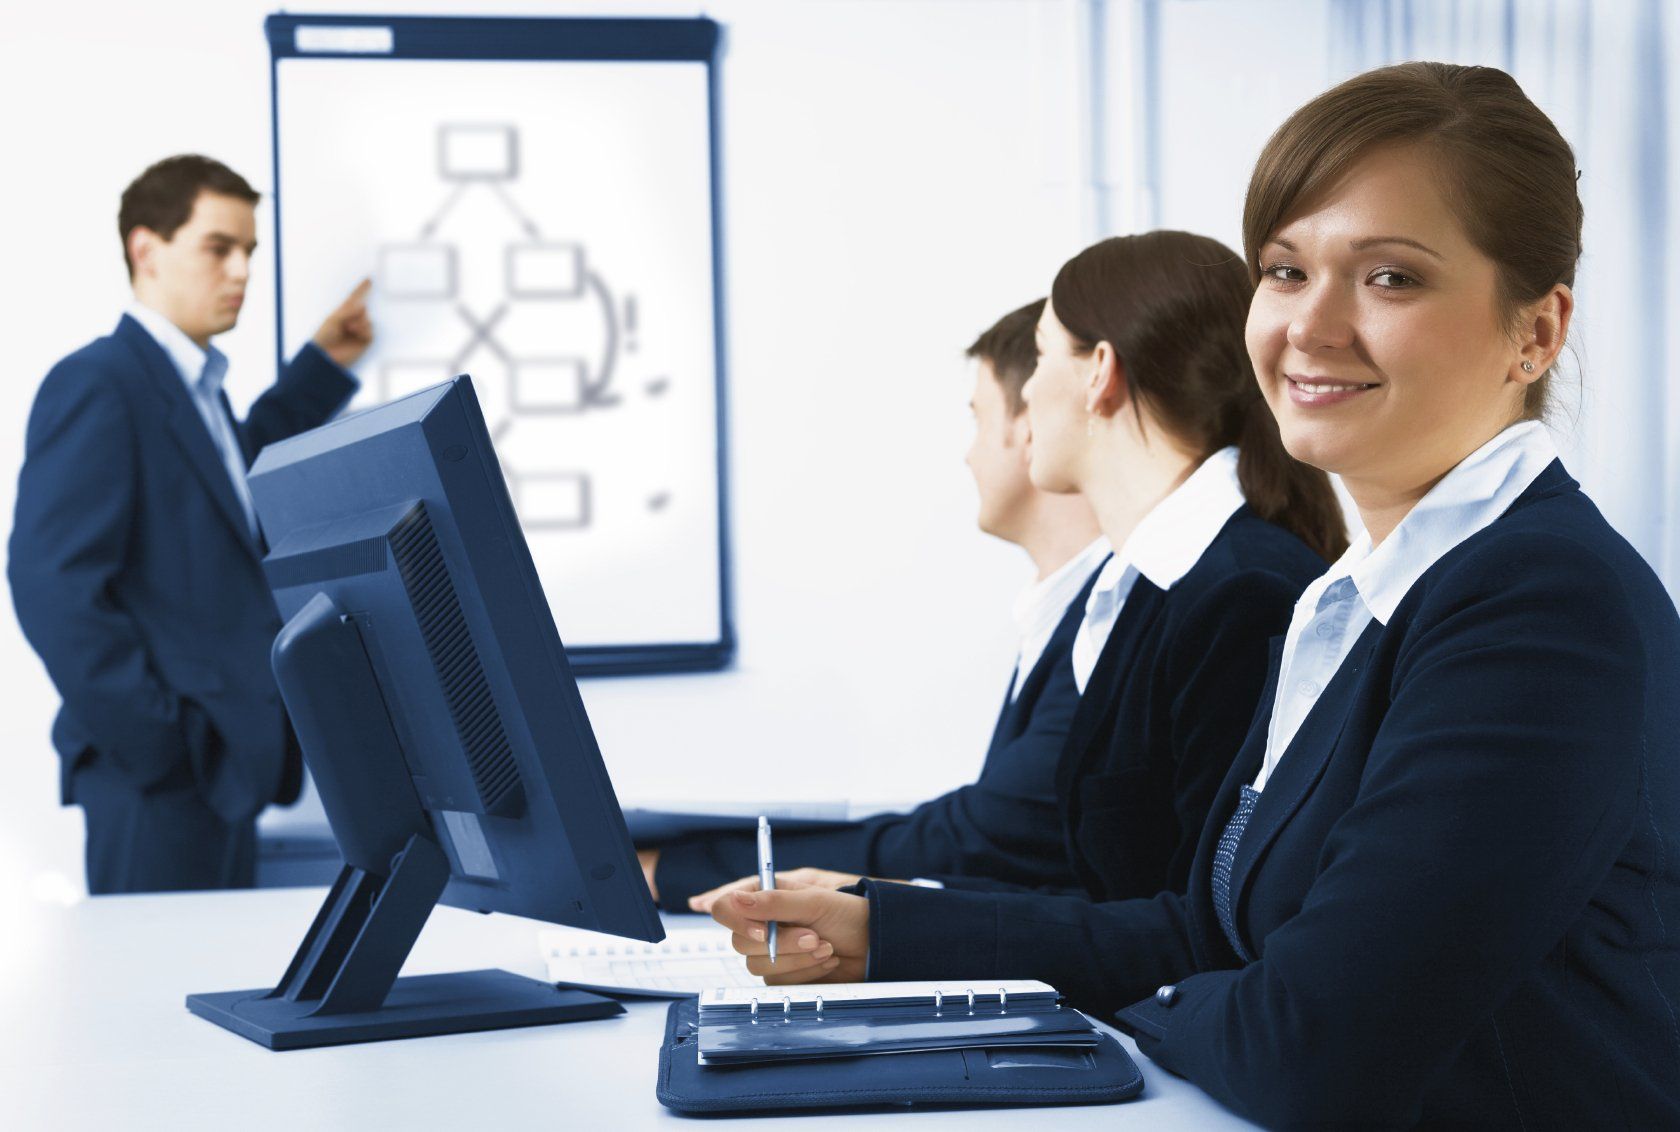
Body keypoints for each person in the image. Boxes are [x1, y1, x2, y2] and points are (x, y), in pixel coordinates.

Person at [712, 62, 1680, 1127]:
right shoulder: (1366, 599)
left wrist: (1162, 1007)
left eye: (1390, 277)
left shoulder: (1537, 605)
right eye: (1284, 269)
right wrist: (886, 932)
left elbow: (1310, 1041)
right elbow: (1211, 932)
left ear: (1534, 332)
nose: (1309, 327)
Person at [707, 226, 1341, 920]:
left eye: (1039, 359)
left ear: (1099, 371)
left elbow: (1197, 932)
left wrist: (890, 923)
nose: (1028, 400)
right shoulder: (1145, 588)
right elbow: (1099, 890)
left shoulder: (1237, 592)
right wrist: (873, 906)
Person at [640, 299, 1108, 910]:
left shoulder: (1120, 615)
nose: (968, 455)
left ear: (1032, 425)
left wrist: (674, 872)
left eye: (977, 419)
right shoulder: (1066, 609)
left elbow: (983, 837)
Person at [9, 154, 374, 895]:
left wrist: (323, 362)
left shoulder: (195, 388)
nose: (241, 270)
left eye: (249, 252)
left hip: (219, 774)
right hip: (159, 782)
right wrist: (166, 747)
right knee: (149, 1006)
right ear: (146, 249)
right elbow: (52, 586)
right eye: (218, 248)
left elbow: (230, 485)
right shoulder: (101, 382)